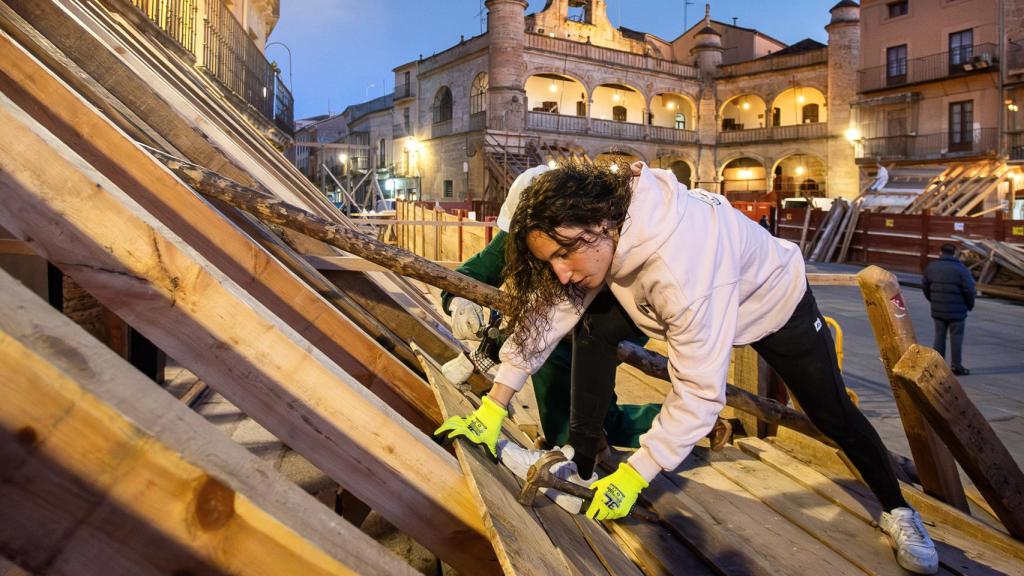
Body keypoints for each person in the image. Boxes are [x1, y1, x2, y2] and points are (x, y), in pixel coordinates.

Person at [435, 162, 939, 575]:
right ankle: (580, 461)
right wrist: (495, 401)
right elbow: (553, 312)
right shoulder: (603, 220)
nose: (562, 270)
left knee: (831, 413)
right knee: (592, 328)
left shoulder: (682, 270)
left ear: (601, 225)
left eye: (564, 254)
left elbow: (699, 392)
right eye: (552, 261)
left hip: (772, 302)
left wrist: (639, 473)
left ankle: (899, 510)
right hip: (679, 287)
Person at [441, 166, 661, 467]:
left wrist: (641, 472)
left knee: (570, 358)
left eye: (559, 252)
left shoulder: (638, 250)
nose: (555, 267)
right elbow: (478, 277)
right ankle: (583, 449)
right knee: (578, 372)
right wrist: (458, 303)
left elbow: (700, 377)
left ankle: (575, 447)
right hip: (586, 311)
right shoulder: (538, 240)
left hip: (635, 307)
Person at [922, 243, 975, 376]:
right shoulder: (962, 269)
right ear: (955, 253)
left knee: (939, 336)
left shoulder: (931, 267)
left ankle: (937, 366)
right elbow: (969, 290)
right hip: (958, 311)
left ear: (941, 252)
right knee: (956, 337)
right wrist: (969, 305)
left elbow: (925, 287)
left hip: (938, 309)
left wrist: (933, 300)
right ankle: (956, 366)